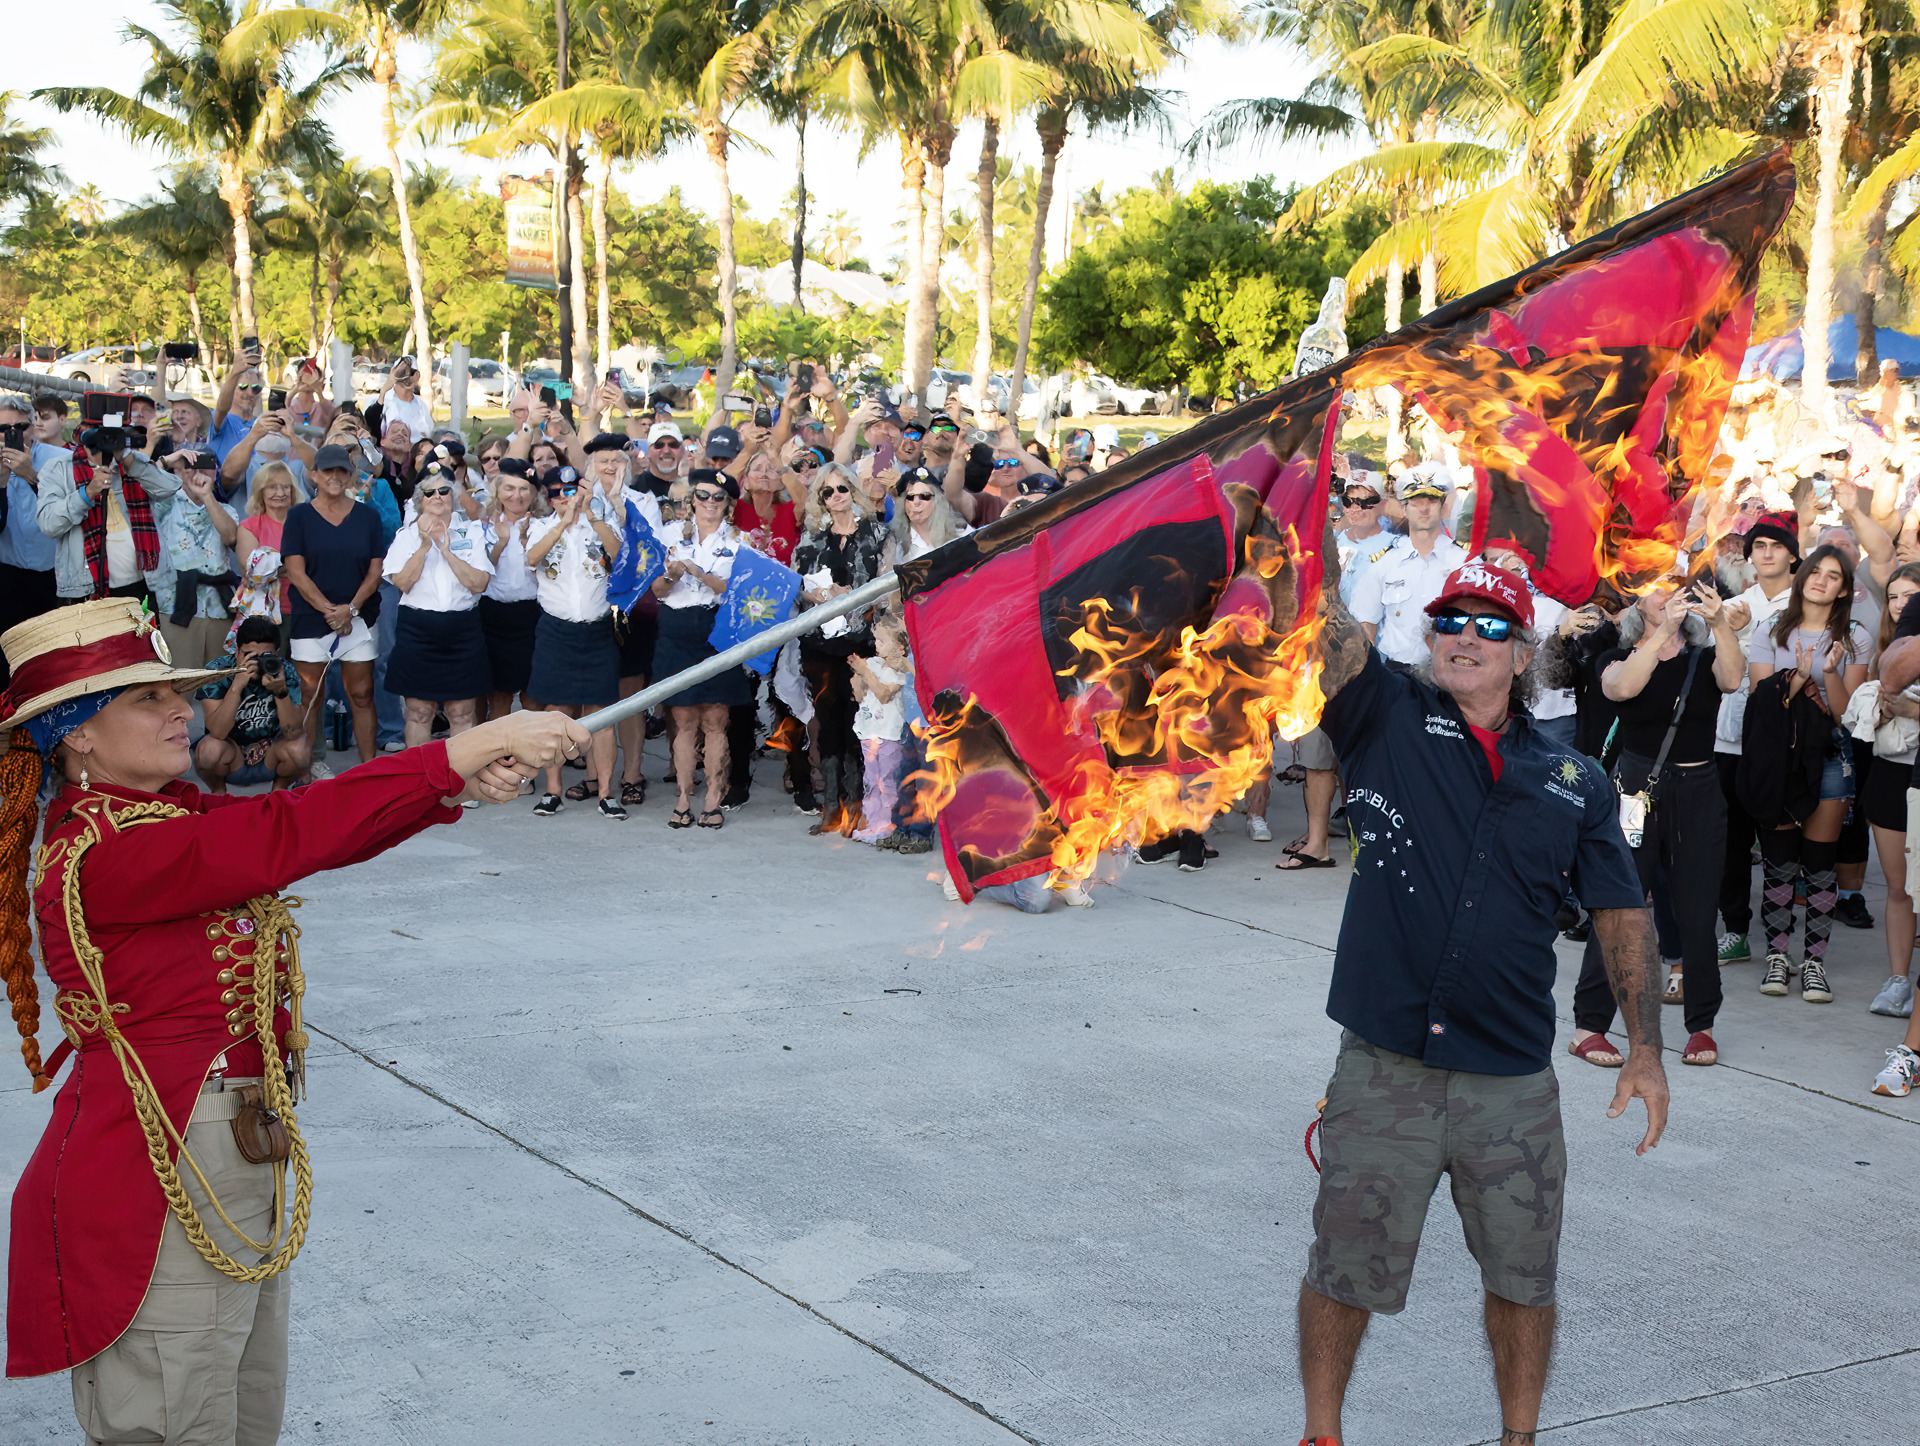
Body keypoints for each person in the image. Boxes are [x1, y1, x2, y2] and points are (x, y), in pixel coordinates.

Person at [0, 595, 585, 1439]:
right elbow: (290, 830)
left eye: (178, 692)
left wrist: (451, 780)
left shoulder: (157, 818)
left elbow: (314, 822)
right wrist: (473, 742)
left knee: (239, 1415)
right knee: (181, 1419)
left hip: (219, 1138)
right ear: (78, 733)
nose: (184, 711)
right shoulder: (110, 852)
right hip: (164, 1152)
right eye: (149, 698)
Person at [1298, 561, 1661, 1446]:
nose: (1466, 635)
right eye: (1450, 621)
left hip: (1510, 1082)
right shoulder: (1382, 714)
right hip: (1386, 1070)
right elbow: (1317, 620)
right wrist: (1285, 518)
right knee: (1345, 1271)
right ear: (1428, 638)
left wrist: (1646, 1047)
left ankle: (1519, 1437)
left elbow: (1619, 910)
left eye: (1490, 625)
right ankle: (1320, 1433)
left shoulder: (1574, 779)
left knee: (1524, 1280)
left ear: (1524, 651)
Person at [1569, 578, 1744, 1069]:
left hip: (1699, 790)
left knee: (1696, 911)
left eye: (1676, 588)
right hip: (1635, 790)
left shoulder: (1701, 656)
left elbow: (1732, 679)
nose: (1667, 595)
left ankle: (1701, 1026)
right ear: (1636, 602)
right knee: (1619, 906)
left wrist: (1719, 626)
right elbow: (1623, 688)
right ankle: (1589, 1027)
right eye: (1655, 588)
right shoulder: (1616, 654)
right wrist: (1661, 631)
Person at [1745, 543, 1871, 1002]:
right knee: (1779, 862)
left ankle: (1814, 962)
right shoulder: (1771, 630)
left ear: (1843, 589)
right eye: (1815, 571)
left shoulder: (1854, 637)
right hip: (1777, 758)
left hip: (1830, 756)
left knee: (1819, 864)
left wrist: (1830, 675)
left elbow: (1845, 715)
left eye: (1833, 576)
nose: (1820, 580)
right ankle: (1778, 956)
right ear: (1803, 578)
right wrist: (1796, 681)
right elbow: (1762, 701)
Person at [1712, 512, 1798, 964]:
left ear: (1792, 554)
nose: (1765, 553)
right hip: (1729, 740)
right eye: (1758, 545)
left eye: (1775, 546)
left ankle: (1780, 941)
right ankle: (1736, 929)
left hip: (1781, 740)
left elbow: (1794, 662)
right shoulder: (1732, 604)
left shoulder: (1806, 602)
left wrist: (1745, 635)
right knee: (1732, 841)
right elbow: (1721, 667)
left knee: (1780, 839)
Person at [650, 469, 752, 830]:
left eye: (718, 497)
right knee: (683, 719)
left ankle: (713, 797)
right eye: (703, 496)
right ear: (692, 500)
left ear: (728, 504)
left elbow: (733, 589)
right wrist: (674, 575)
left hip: (717, 630)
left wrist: (696, 571)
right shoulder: (669, 535)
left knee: (715, 719)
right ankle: (682, 796)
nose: (710, 503)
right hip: (677, 629)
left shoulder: (741, 541)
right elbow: (658, 591)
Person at [524, 463, 625, 818]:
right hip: (556, 629)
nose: (567, 498)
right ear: (549, 498)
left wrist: (591, 515)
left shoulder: (600, 524)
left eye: (573, 491)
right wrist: (563, 523)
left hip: (597, 629)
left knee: (602, 716)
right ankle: (552, 790)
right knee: (557, 715)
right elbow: (531, 558)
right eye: (559, 493)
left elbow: (620, 557)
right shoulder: (540, 525)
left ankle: (607, 793)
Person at [794, 463, 890, 828]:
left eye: (841, 489)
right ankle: (831, 807)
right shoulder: (811, 539)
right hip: (820, 645)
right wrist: (813, 594)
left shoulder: (879, 534)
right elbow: (798, 586)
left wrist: (850, 595)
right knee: (827, 722)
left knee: (859, 724)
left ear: (854, 490)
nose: (836, 497)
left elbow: (886, 587)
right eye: (827, 492)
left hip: (863, 643)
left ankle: (858, 806)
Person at [281, 444, 385, 773]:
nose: (335, 477)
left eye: (342, 471)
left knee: (362, 692)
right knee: (311, 694)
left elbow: (376, 570)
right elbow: (295, 572)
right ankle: (309, 769)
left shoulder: (368, 516)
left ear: (351, 474)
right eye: (328, 471)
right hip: (312, 618)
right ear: (314, 475)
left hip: (358, 618)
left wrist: (350, 610)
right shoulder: (298, 516)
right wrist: (331, 611)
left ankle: (368, 769)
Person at [383, 459, 494, 752]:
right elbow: (402, 583)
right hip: (418, 630)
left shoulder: (470, 532)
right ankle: (420, 784)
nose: (437, 498)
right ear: (420, 498)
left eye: (444, 491)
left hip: (463, 630)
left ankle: (461, 784)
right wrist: (423, 547)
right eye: (430, 493)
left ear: (452, 495)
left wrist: (445, 550)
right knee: (420, 713)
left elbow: (478, 583)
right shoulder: (405, 536)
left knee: (462, 713)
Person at [1856, 563, 1920, 1020]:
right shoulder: (1887, 649)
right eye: (1895, 596)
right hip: (1891, 776)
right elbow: (1862, 720)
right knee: (1899, 888)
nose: (1902, 604)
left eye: (1911, 595)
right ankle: (1899, 981)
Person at [36, 424, 181, 606]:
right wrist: (86, 493)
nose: (102, 448)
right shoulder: (58, 469)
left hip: (142, 586)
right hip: (88, 591)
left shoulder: (131, 462)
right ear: (83, 442)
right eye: (96, 441)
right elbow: (49, 524)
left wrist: (129, 459)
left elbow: (170, 488)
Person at [1345, 473, 1466, 666]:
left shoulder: (1465, 563)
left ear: (1443, 508)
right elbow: (1365, 623)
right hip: (1399, 676)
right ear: (1403, 509)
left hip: (1451, 673)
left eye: (1432, 501)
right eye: (1416, 502)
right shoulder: (1385, 563)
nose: (1424, 509)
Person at [193, 615, 312, 791]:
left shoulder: (284, 671)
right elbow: (217, 732)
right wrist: (237, 685)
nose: (255, 663)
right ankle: (218, 792)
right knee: (209, 750)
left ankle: (278, 792)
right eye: (248, 655)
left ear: (276, 653)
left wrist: (281, 692)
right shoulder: (217, 670)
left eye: (265, 656)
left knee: (300, 748)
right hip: (230, 755)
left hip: (271, 754)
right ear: (236, 651)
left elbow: (293, 733)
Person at [156, 448, 243, 667]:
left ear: (215, 473)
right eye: (190, 465)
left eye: (205, 465)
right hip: (176, 604)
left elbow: (231, 537)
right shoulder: (163, 504)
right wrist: (167, 460)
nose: (197, 471)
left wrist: (206, 495)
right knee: (179, 681)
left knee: (216, 683)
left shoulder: (226, 509)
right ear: (178, 471)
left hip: (219, 607)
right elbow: (138, 483)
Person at [0, 393, 65, 675]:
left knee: (47, 661)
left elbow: (67, 514)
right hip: (6, 575)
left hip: (52, 577)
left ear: (34, 427)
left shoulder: (61, 460)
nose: (12, 434)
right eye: (3, 429)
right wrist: (1, 484)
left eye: (20, 427)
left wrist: (31, 475)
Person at [479, 458, 546, 724]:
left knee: (533, 695)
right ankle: (498, 757)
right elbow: (480, 573)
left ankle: (529, 757)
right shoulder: (483, 526)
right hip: (494, 616)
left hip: (533, 614)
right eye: (509, 488)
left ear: (533, 494)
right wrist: (502, 540)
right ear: (497, 491)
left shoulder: (546, 526)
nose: (516, 496)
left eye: (523, 489)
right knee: (498, 696)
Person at [849, 615, 911, 845]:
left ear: (899, 646)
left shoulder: (899, 670)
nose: (876, 645)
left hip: (889, 735)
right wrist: (857, 676)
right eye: (875, 640)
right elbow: (859, 696)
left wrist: (864, 673)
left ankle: (888, 824)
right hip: (868, 732)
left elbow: (885, 695)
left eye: (882, 641)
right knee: (871, 779)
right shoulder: (872, 664)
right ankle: (873, 822)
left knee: (887, 780)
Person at [235, 461, 301, 648]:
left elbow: (318, 562)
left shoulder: (304, 522)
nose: (280, 493)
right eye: (272, 487)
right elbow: (253, 572)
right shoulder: (250, 526)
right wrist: (295, 565)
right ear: (260, 491)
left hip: (306, 609)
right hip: (265, 615)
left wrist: (272, 564)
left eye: (285, 487)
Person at [378, 357, 434, 444]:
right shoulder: (382, 401)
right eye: (401, 373)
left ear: (417, 376)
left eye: (411, 373)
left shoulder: (421, 406)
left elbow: (428, 434)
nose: (406, 378)